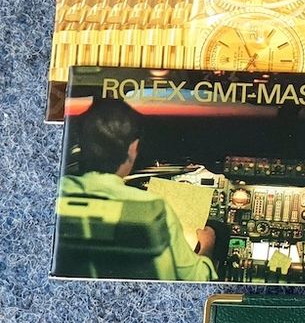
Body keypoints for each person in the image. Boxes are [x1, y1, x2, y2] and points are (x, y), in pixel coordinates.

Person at [59, 98, 218, 281]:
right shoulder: (152, 209)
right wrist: (207, 245)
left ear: (80, 146)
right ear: (132, 149)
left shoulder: (56, 192)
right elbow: (197, 278)